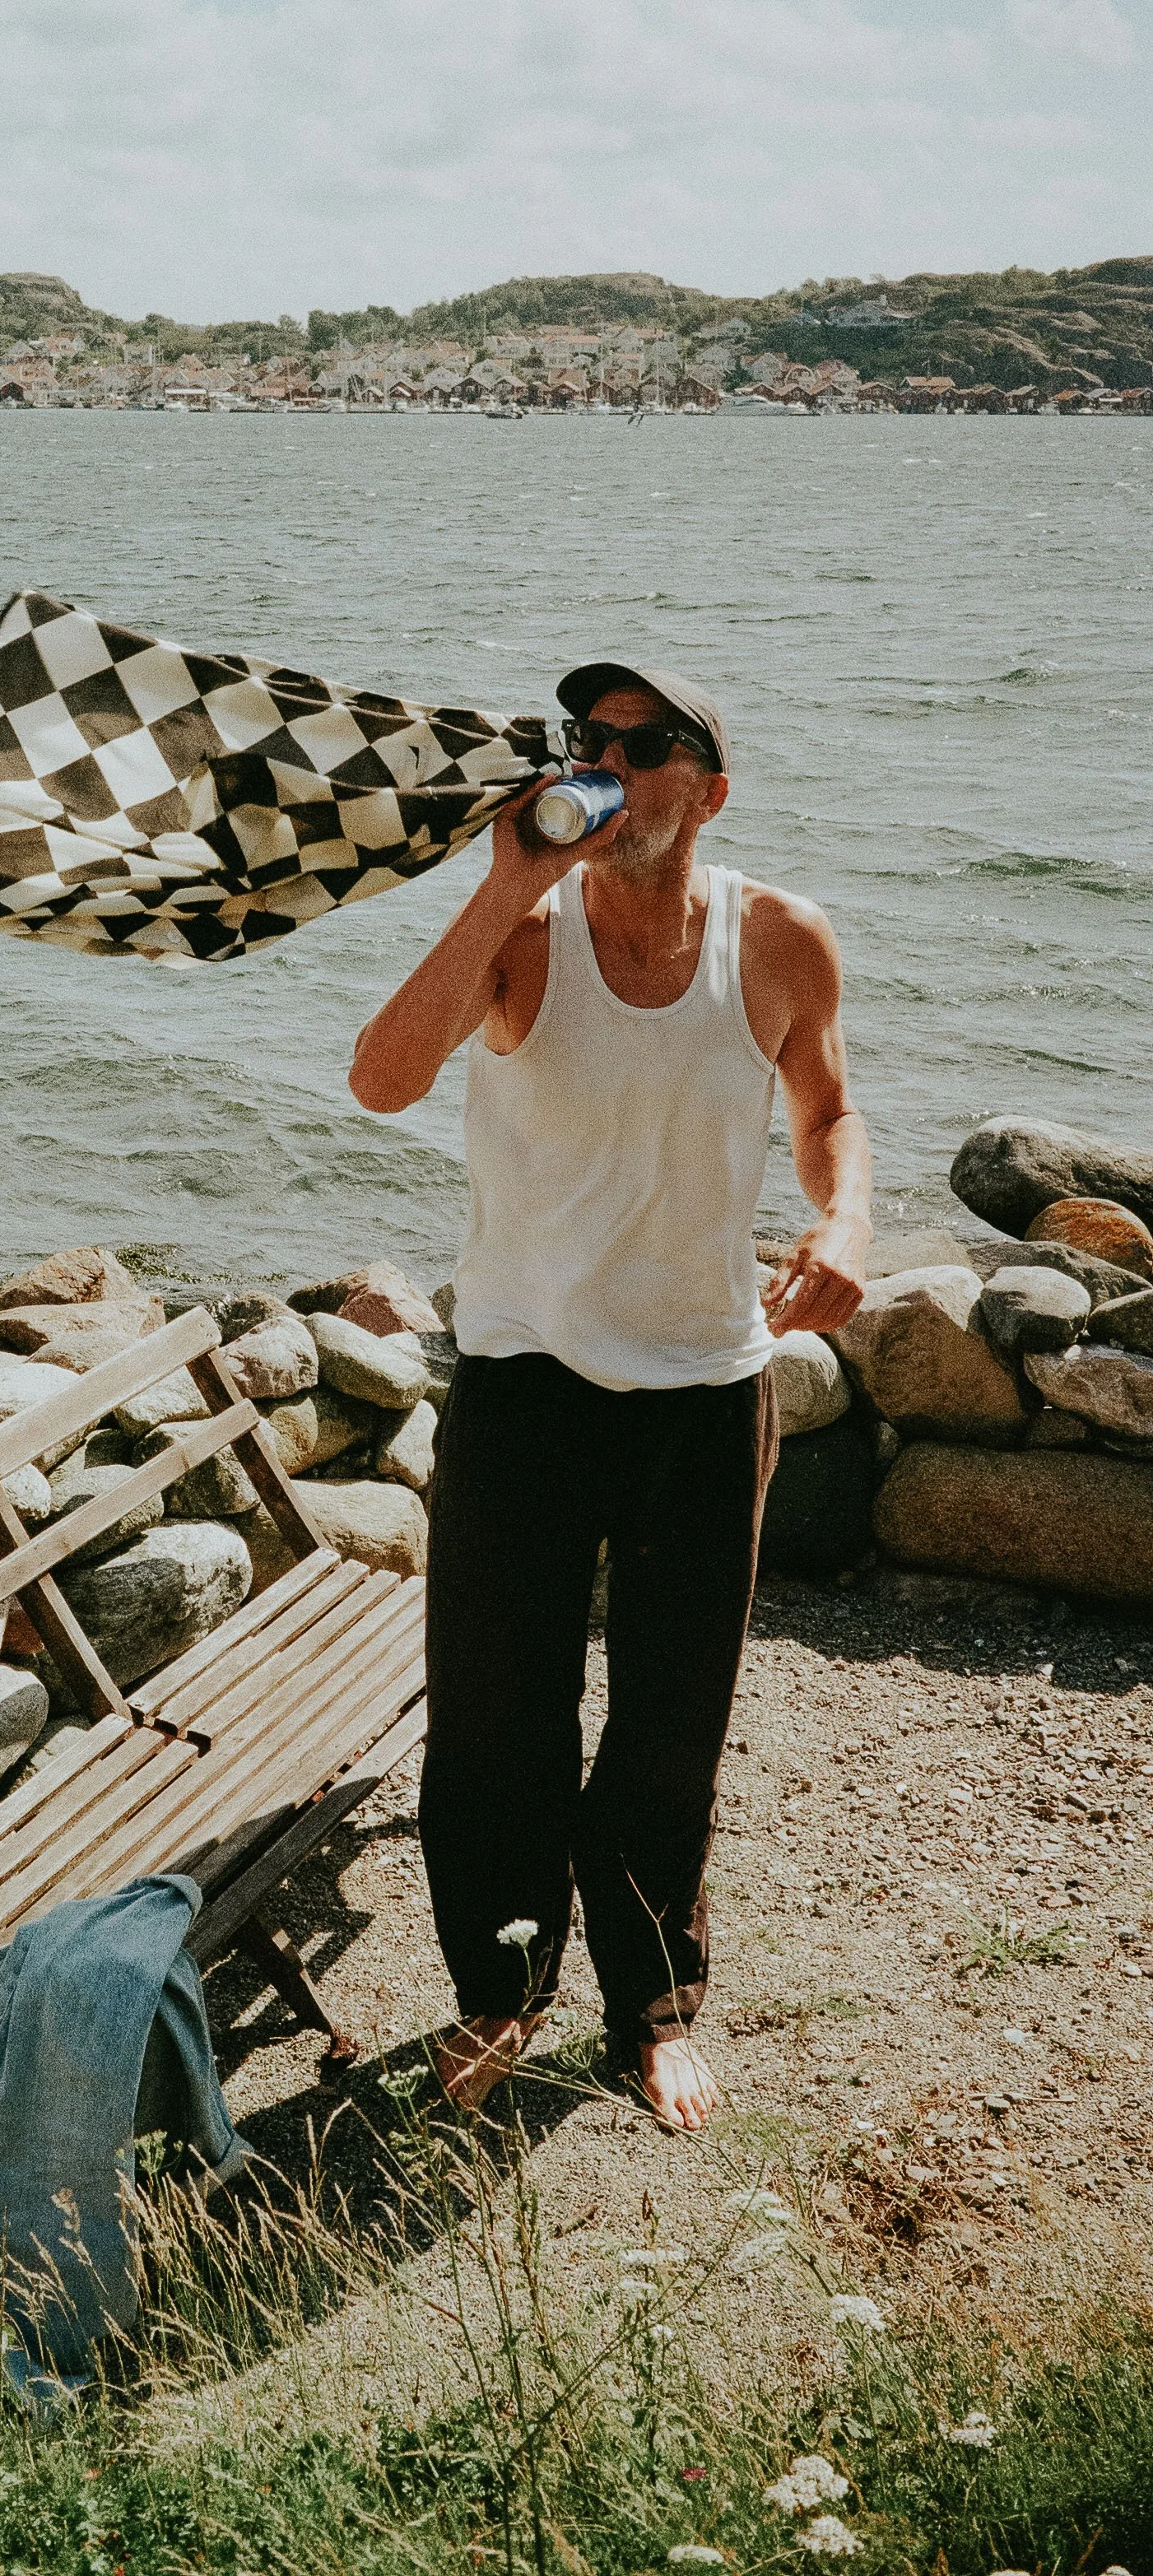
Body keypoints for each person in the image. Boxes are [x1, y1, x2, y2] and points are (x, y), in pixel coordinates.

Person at [349, 662, 871, 2130]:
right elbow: (382, 1079)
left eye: (647, 746)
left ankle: (649, 2011)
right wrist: (503, 883)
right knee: (498, 1717)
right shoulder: (523, 934)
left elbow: (827, 1108)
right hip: (524, 1372)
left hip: (705, 1384)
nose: (608, 762)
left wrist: (842, 1223)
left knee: (666, 1722)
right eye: (588, 739)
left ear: (707, 790)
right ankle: (497, 1994)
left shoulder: (777, 940)